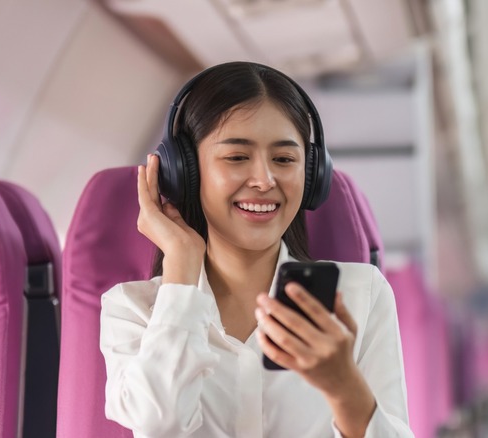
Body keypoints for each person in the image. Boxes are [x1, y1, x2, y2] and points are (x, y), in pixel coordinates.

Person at [100, 61, 413, 438]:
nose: (264, 180)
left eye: (283, 159)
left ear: (311, 175)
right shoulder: (134, 310)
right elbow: (160, 423)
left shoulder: (362, 295)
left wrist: (344, 387)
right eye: (236, 157)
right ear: (185, 172)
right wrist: (180, 268)